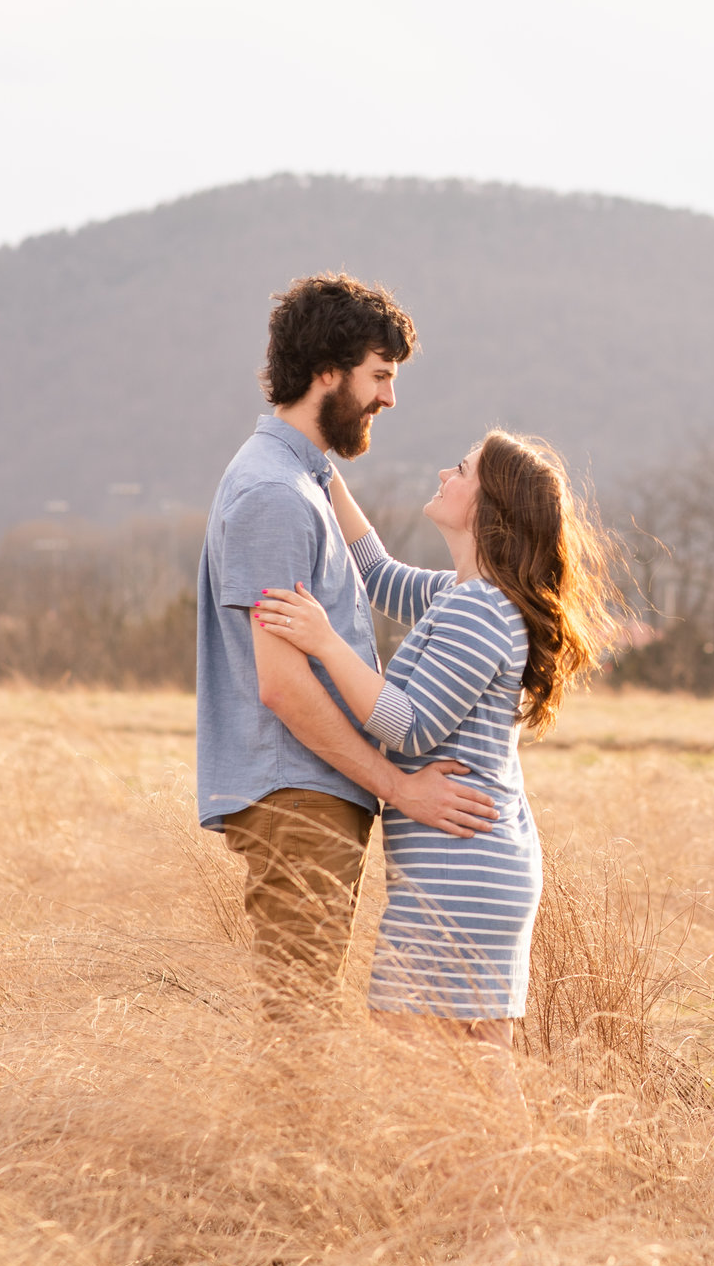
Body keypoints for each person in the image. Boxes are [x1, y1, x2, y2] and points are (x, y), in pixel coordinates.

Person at [251, 429, 609, 1076]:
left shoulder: (479, 609)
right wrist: (319, 464)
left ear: (487, 503)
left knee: (417, 1070)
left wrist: (326, 643)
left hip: (457, 867)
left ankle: (483, 1180)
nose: (447, 471)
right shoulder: (464, 594)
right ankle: (526, 1180)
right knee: (477, 1068)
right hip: (476, 865)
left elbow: (407, 726)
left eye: (464, 468)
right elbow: (377, 573)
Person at [195, 273, 497, 1012]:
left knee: (306, 1013)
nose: (389, 399)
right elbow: (281, 682)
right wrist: (398, 787)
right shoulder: (274, 495)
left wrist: (322, 459)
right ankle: (293, 1135)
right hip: (298, 796)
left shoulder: (300, 479)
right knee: (300, 1026)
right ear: (327, 371)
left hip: (315, 791)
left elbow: (378, 571)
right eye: (379, 376)